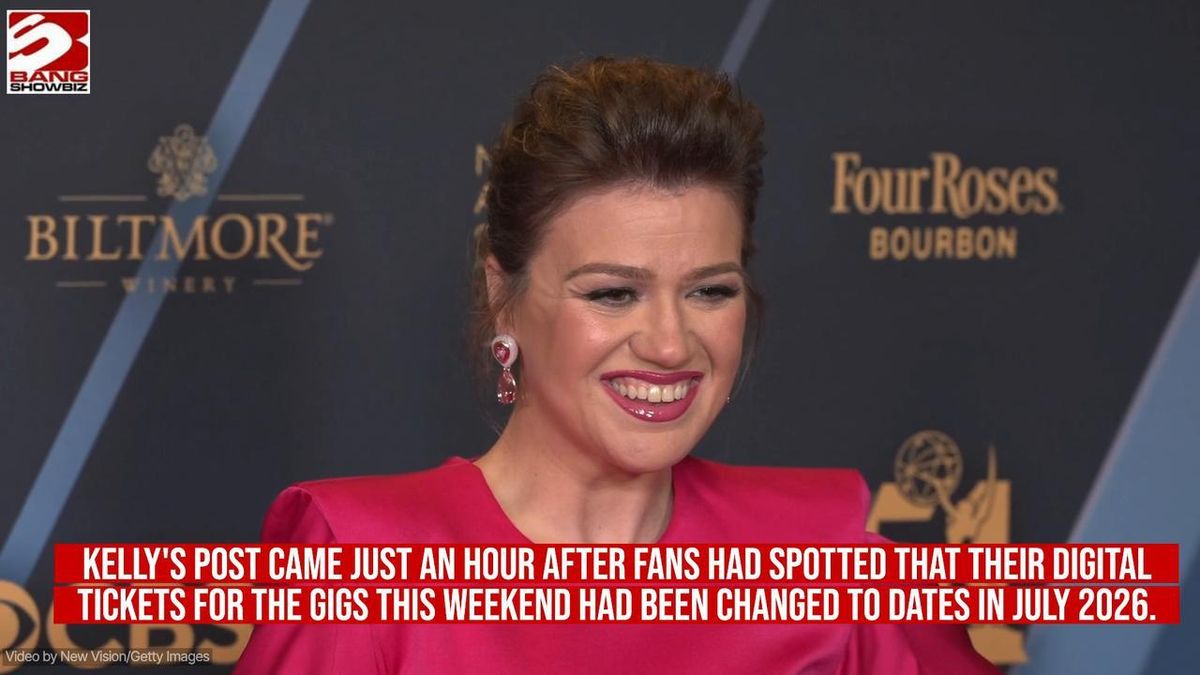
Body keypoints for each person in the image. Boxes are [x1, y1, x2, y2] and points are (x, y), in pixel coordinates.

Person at [235, 56, 996, 674]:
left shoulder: (824, 556)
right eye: (612, 293)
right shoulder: (363, 562)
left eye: (709, 291)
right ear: (504, 297)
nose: (669, 344)